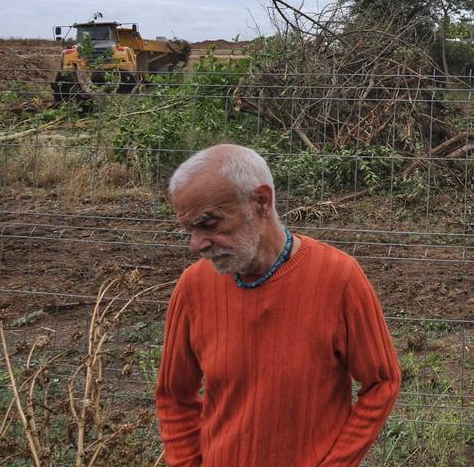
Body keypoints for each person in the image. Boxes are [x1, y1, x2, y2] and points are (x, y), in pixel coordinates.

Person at [155, 144, 400, 467]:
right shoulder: (193, 288)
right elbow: (174, 395)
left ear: (260, 201)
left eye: (209, 224)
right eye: (190, 230)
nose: (196, 244)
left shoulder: (338, 278)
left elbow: (382, 382)